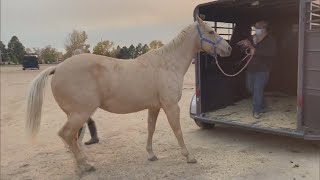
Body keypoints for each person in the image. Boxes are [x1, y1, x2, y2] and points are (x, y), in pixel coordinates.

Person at [238, 20, 276, 119]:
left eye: (259, 28)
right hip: (251, 68)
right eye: (256, 28)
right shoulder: (252, 38)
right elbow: (245, 50)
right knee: (250, 88)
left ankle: (257, 110)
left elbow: (270, 52)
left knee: (257, 89)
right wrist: (245, 45)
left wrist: (254, 49)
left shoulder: (270, 40)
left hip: (263, 70)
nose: (257, 30)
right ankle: (263, 105)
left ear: (264, 29)